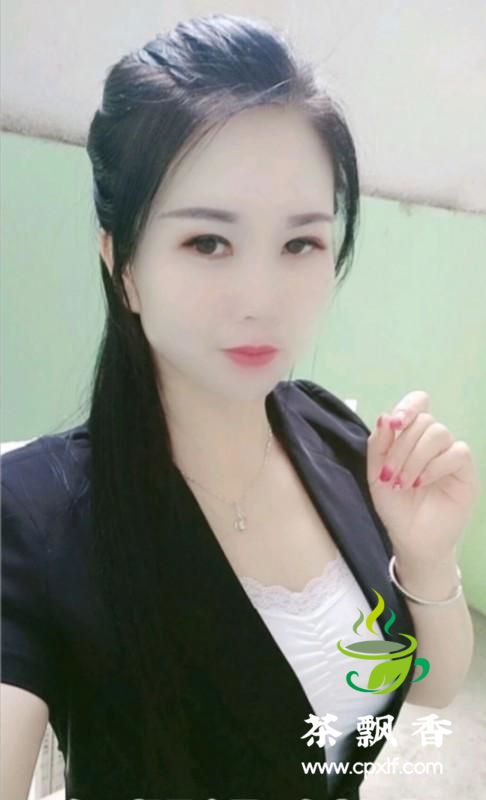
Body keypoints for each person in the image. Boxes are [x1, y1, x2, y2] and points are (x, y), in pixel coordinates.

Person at [1, 12, 446, 800]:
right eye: (208, 242)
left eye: (300, 243)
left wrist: (426, 557)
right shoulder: (34, 517)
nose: (261, 299)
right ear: (122, 262)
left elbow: (432, 686)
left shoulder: (335, 436)